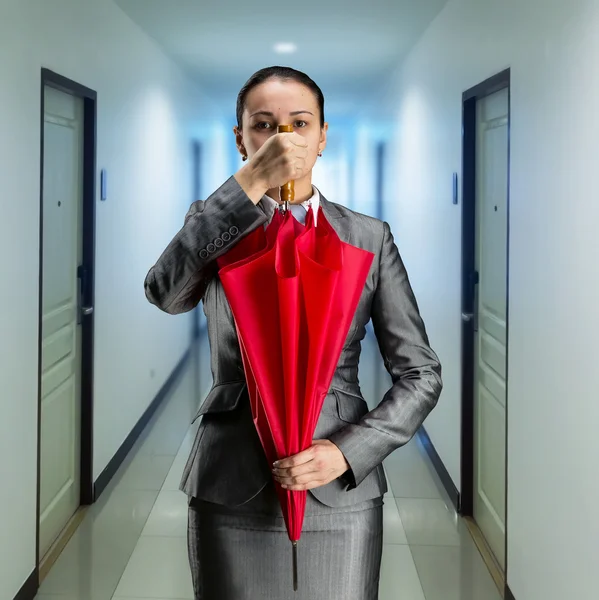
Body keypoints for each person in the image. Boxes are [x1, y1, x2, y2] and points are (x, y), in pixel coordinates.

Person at [144, 66, 442, 600]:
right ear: (240, 139)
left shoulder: (369, 237)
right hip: (229, 480)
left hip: (340, 488)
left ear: (323, 136)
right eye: (263, 125)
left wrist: (349, 451)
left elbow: (420, 373)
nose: (282, 138)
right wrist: (250, 186)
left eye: (299, 123)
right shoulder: (212, 226)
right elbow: (165, 292)